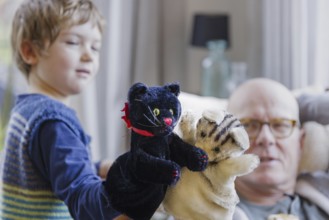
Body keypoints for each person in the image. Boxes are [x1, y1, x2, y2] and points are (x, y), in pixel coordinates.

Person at [0, 0, 127, 219]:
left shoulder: (25, 110)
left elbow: (50, 169)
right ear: (30, 51)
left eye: (95, 47)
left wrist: (97, 168)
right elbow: (85, 204)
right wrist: (133, 189)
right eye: (73, 42)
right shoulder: (53, 121)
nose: (89, 55)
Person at [227, 78, 329, 220]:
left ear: (300, 142)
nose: (266, 138)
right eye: (249, 125)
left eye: (280, 124)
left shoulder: (322, 194)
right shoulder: (203, 209)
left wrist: (298, 106)